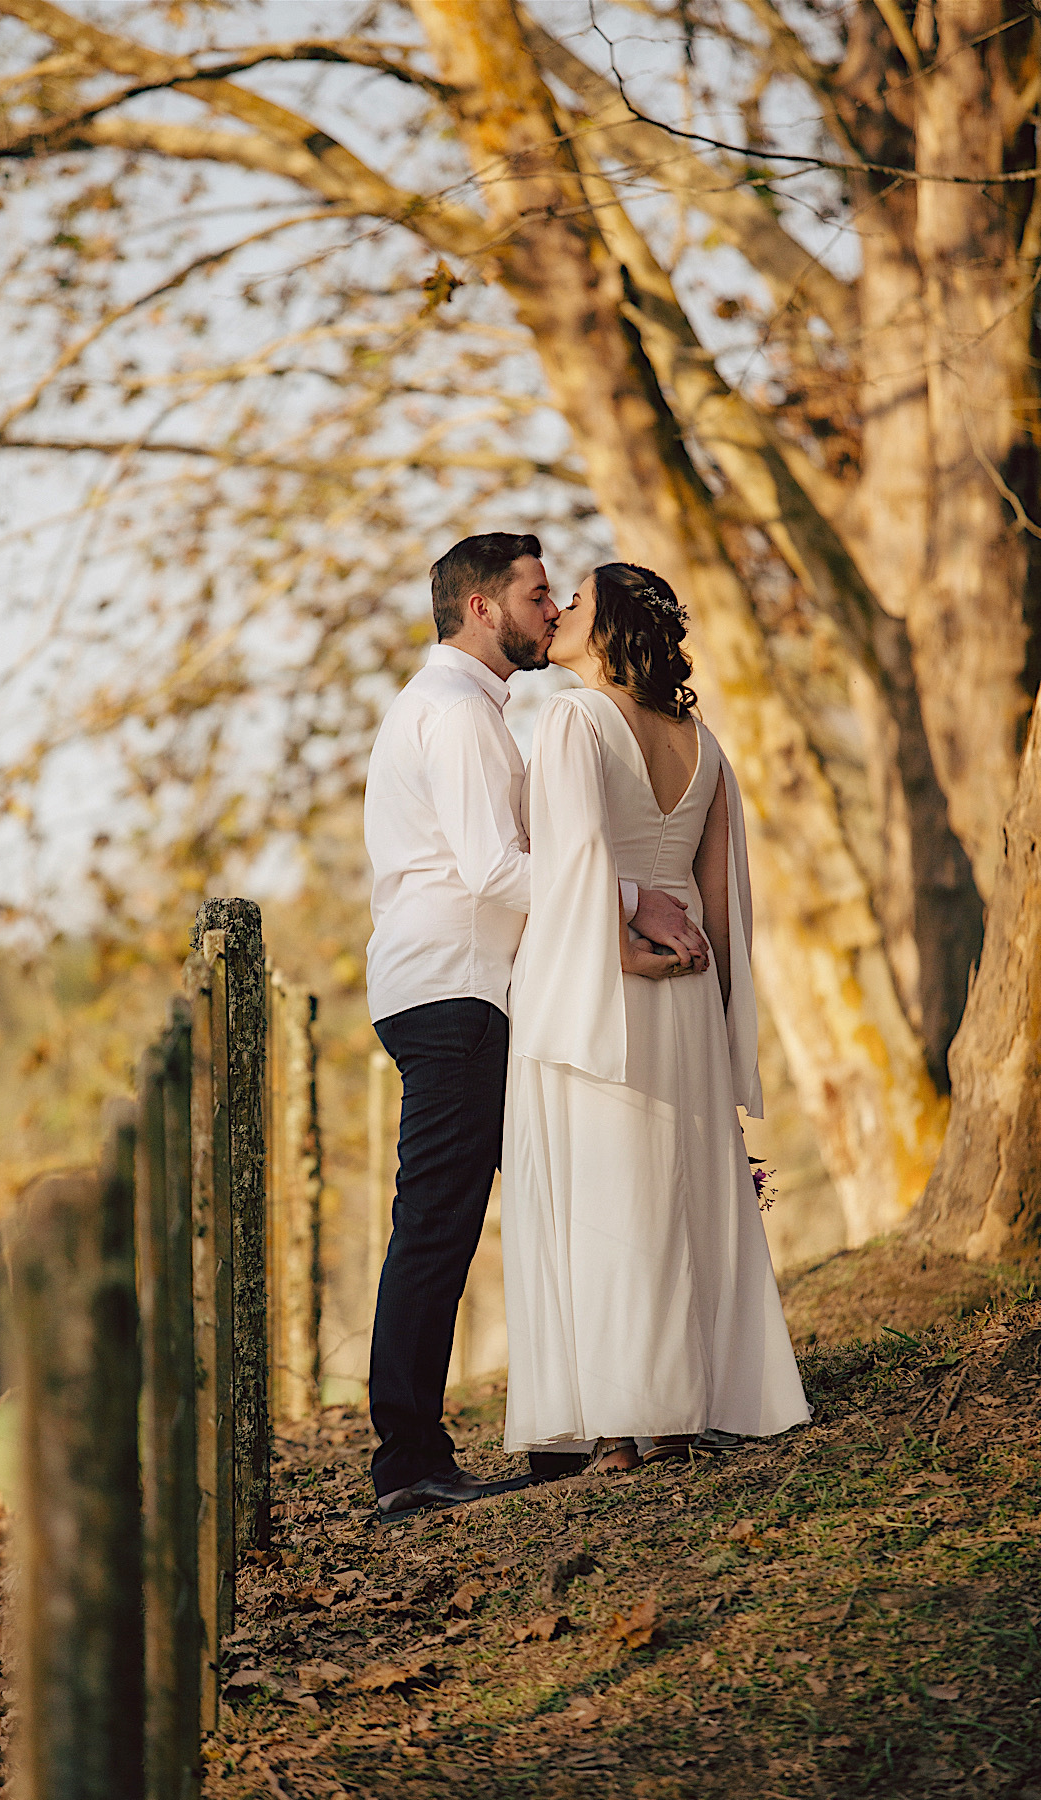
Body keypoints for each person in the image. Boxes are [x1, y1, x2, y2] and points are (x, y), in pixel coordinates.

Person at [363, 533, 708, 1516]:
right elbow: (500, 872)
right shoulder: (457, 716)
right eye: (537, 594)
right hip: (457, 989)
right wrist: (635, 894)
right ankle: (410, 1465)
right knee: (438, 1221)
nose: (552, 611)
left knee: (559, 1193)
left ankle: (580, 1422)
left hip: (468, 985)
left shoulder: (470, 709)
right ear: (484, 608)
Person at [501, 562, 809, 1472]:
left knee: (608, 1196)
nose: (558, 612)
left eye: (578, 603)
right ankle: (679, 1413)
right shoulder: (704, 743)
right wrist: (711, 1012)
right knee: (678, 1194)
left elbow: (573, 867)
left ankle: (618, 1432)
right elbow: (723, 904)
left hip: (605, 982)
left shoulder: (574, 719)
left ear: (609, 630)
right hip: (688, 991)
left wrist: (625, 954)